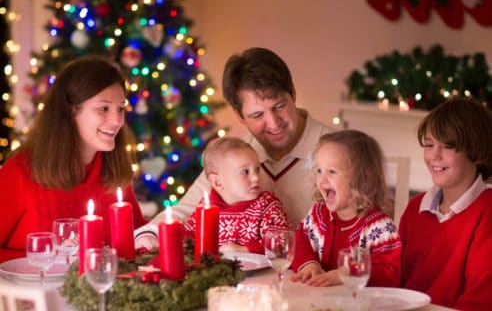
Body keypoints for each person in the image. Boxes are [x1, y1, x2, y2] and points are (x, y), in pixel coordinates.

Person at [135, 47, 332, 248]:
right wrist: (150, 235)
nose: (273, 123)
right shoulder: (235, 155)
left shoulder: (337, 149)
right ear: (239, 116)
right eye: (257, 115)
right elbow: (186, 209)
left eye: (279, 106)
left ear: (293, 93)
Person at [0, 55, 148, 263]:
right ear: (70, 112)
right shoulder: (20, 172)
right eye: (103, 108)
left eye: (120, 109)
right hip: (31, 293)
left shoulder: (114, 173)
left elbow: (141, 238)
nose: (116, 121)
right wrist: (47, 260)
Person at [399, 98, 492, 310]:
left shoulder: (488, 211)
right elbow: (396, 279)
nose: (435, 156)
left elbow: (481, 301)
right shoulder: (416, 208)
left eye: (448, 146)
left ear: (477, 151)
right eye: (429, 145)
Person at [291, 130, 401, 287]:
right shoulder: (318, 214)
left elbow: (390, 273)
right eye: (319, 170)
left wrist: (348, 273)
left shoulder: (380, 227)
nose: (322, 179)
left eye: (332, 171)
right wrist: (308, 264)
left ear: (361, 178)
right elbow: (300, 241)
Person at [183, 137, 291, 254]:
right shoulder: (206, 206)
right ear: (217, 182)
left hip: (261, 271)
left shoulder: (267, 206)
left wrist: (244, 250)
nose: (256, 177)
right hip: (216, 270)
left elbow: (282, 242)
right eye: (245, 172)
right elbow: (190, 235)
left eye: (257, 169)